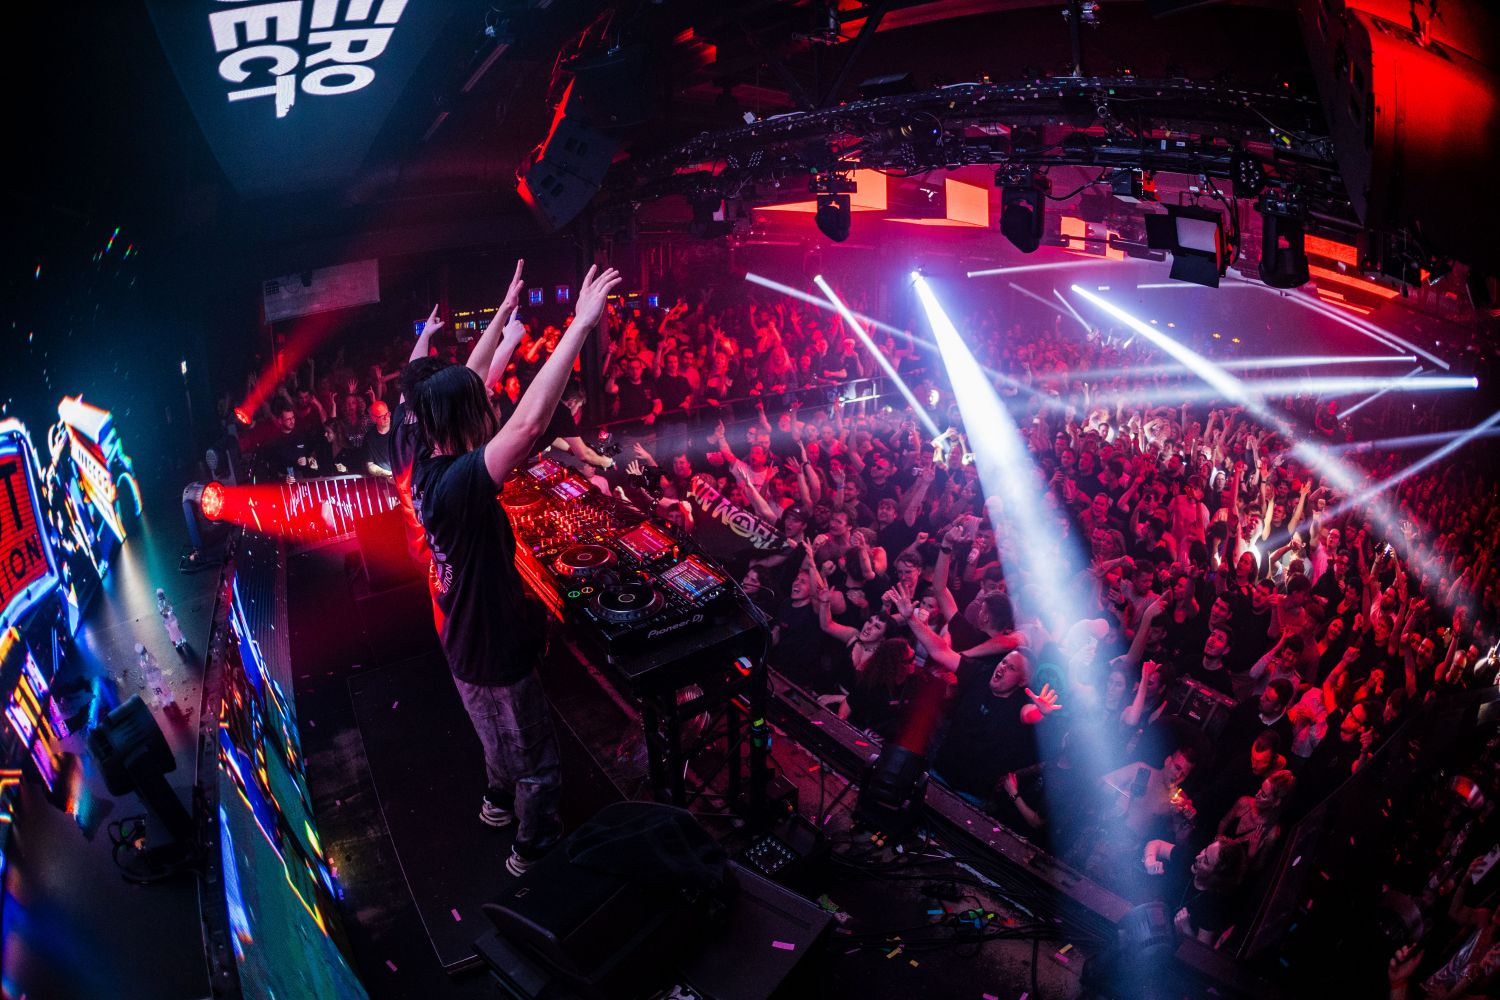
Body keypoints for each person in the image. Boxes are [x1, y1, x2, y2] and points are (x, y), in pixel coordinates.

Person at [409, 261, 622, 877]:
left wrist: (504, 312)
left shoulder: (427, 451)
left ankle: (498, 799)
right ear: (462, 420)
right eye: (478, 404)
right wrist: (579, 327)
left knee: (494, 734)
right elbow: (528, 425)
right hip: (491, 643)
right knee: (534, 755)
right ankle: (535, 846)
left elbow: (468, 379)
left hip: (461, 633)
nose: (488, 402)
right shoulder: (458, 484)